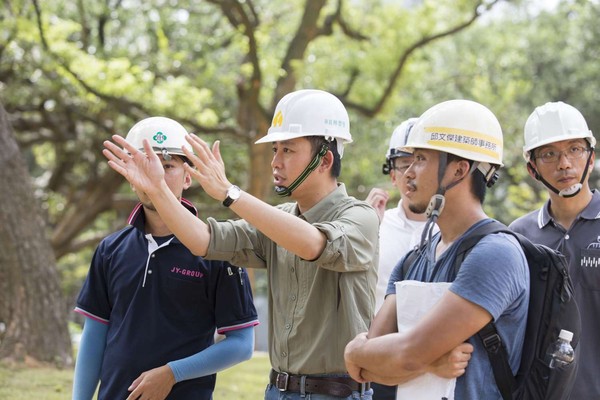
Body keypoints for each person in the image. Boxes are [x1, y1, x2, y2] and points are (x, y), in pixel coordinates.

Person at [102, 89, 379, 400]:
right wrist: (157, 190)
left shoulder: (360, 217)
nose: (275, 161)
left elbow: (313, 244)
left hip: (336, 395)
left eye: (287, 150)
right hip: (278, 391)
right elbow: (201, 240)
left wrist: (228, 192)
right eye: (275, 150)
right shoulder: (278, 218)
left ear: (324, 159)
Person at [344, 99, 530, 399]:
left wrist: (357, 351)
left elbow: (407, 353)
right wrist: (365, 358)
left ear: (458, 170)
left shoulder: (496, 254)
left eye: (420, 159)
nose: (408, 173)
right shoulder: (413, 259)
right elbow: (366, 373)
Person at [72, 117, 259, 400]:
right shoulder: (110, 249)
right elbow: (94, 337)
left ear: (187, 176)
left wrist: (173, 373)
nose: (156, 176)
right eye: (147, 165)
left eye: (168, 165)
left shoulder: (220, 251)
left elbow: (242, 345)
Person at [509, 101, 600, 400]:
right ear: (532, 169)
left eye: (575, 149)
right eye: (549, 153)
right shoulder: (518, 237)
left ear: (591, 156)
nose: (564, 163)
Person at [366, 118, 432, 400]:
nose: (411, 173)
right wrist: (363, 228)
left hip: (436, 363)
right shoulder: (376, 223)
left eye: (421, 162)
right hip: (379, 361)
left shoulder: (456, 231)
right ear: (392, 175)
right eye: (404, 165)